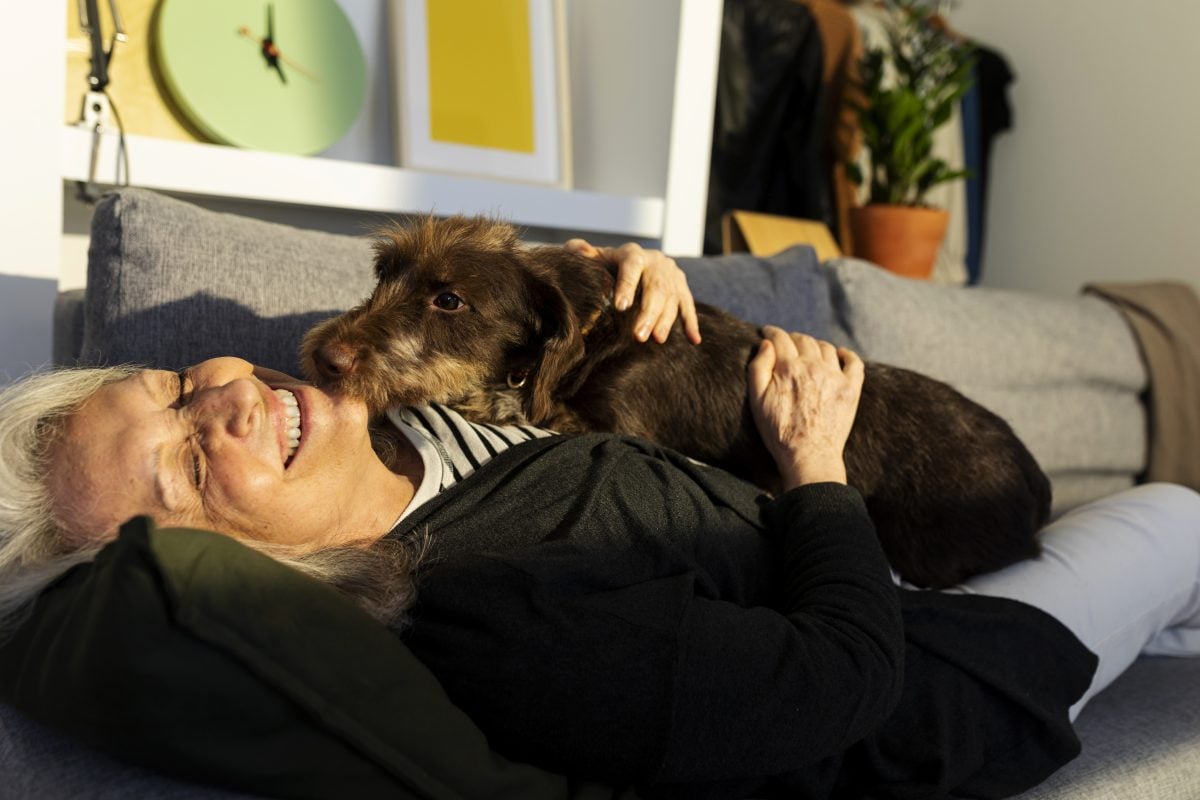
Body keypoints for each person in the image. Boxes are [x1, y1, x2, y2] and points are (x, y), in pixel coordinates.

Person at [1, 243, 1199, 799]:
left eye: (165, 387)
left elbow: (520, 328)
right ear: (233, 569)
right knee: (1179, 519)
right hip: (934, 673)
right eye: (190, 468)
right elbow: (841, 682)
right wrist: (819, 462)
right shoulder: (501, 622)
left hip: (886, 553)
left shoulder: (406, 426)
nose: (223, 397)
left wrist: (624, 292)